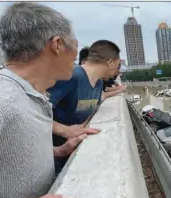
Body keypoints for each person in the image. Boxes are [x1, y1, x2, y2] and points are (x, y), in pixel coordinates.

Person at [0, 2, 81, 198]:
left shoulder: (32, 96)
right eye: (76, 46)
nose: (76, 57)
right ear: (57, 44)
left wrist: (57, 152)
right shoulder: (4, 101)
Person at [48, 40, 126, 174]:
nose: (116, 71)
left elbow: (98, 99)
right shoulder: (71, 76)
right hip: (51, 155)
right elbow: (32, 113)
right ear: (110, 62)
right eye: (118, 64)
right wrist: (64, 130)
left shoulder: (99, 83)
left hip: (72, 152)